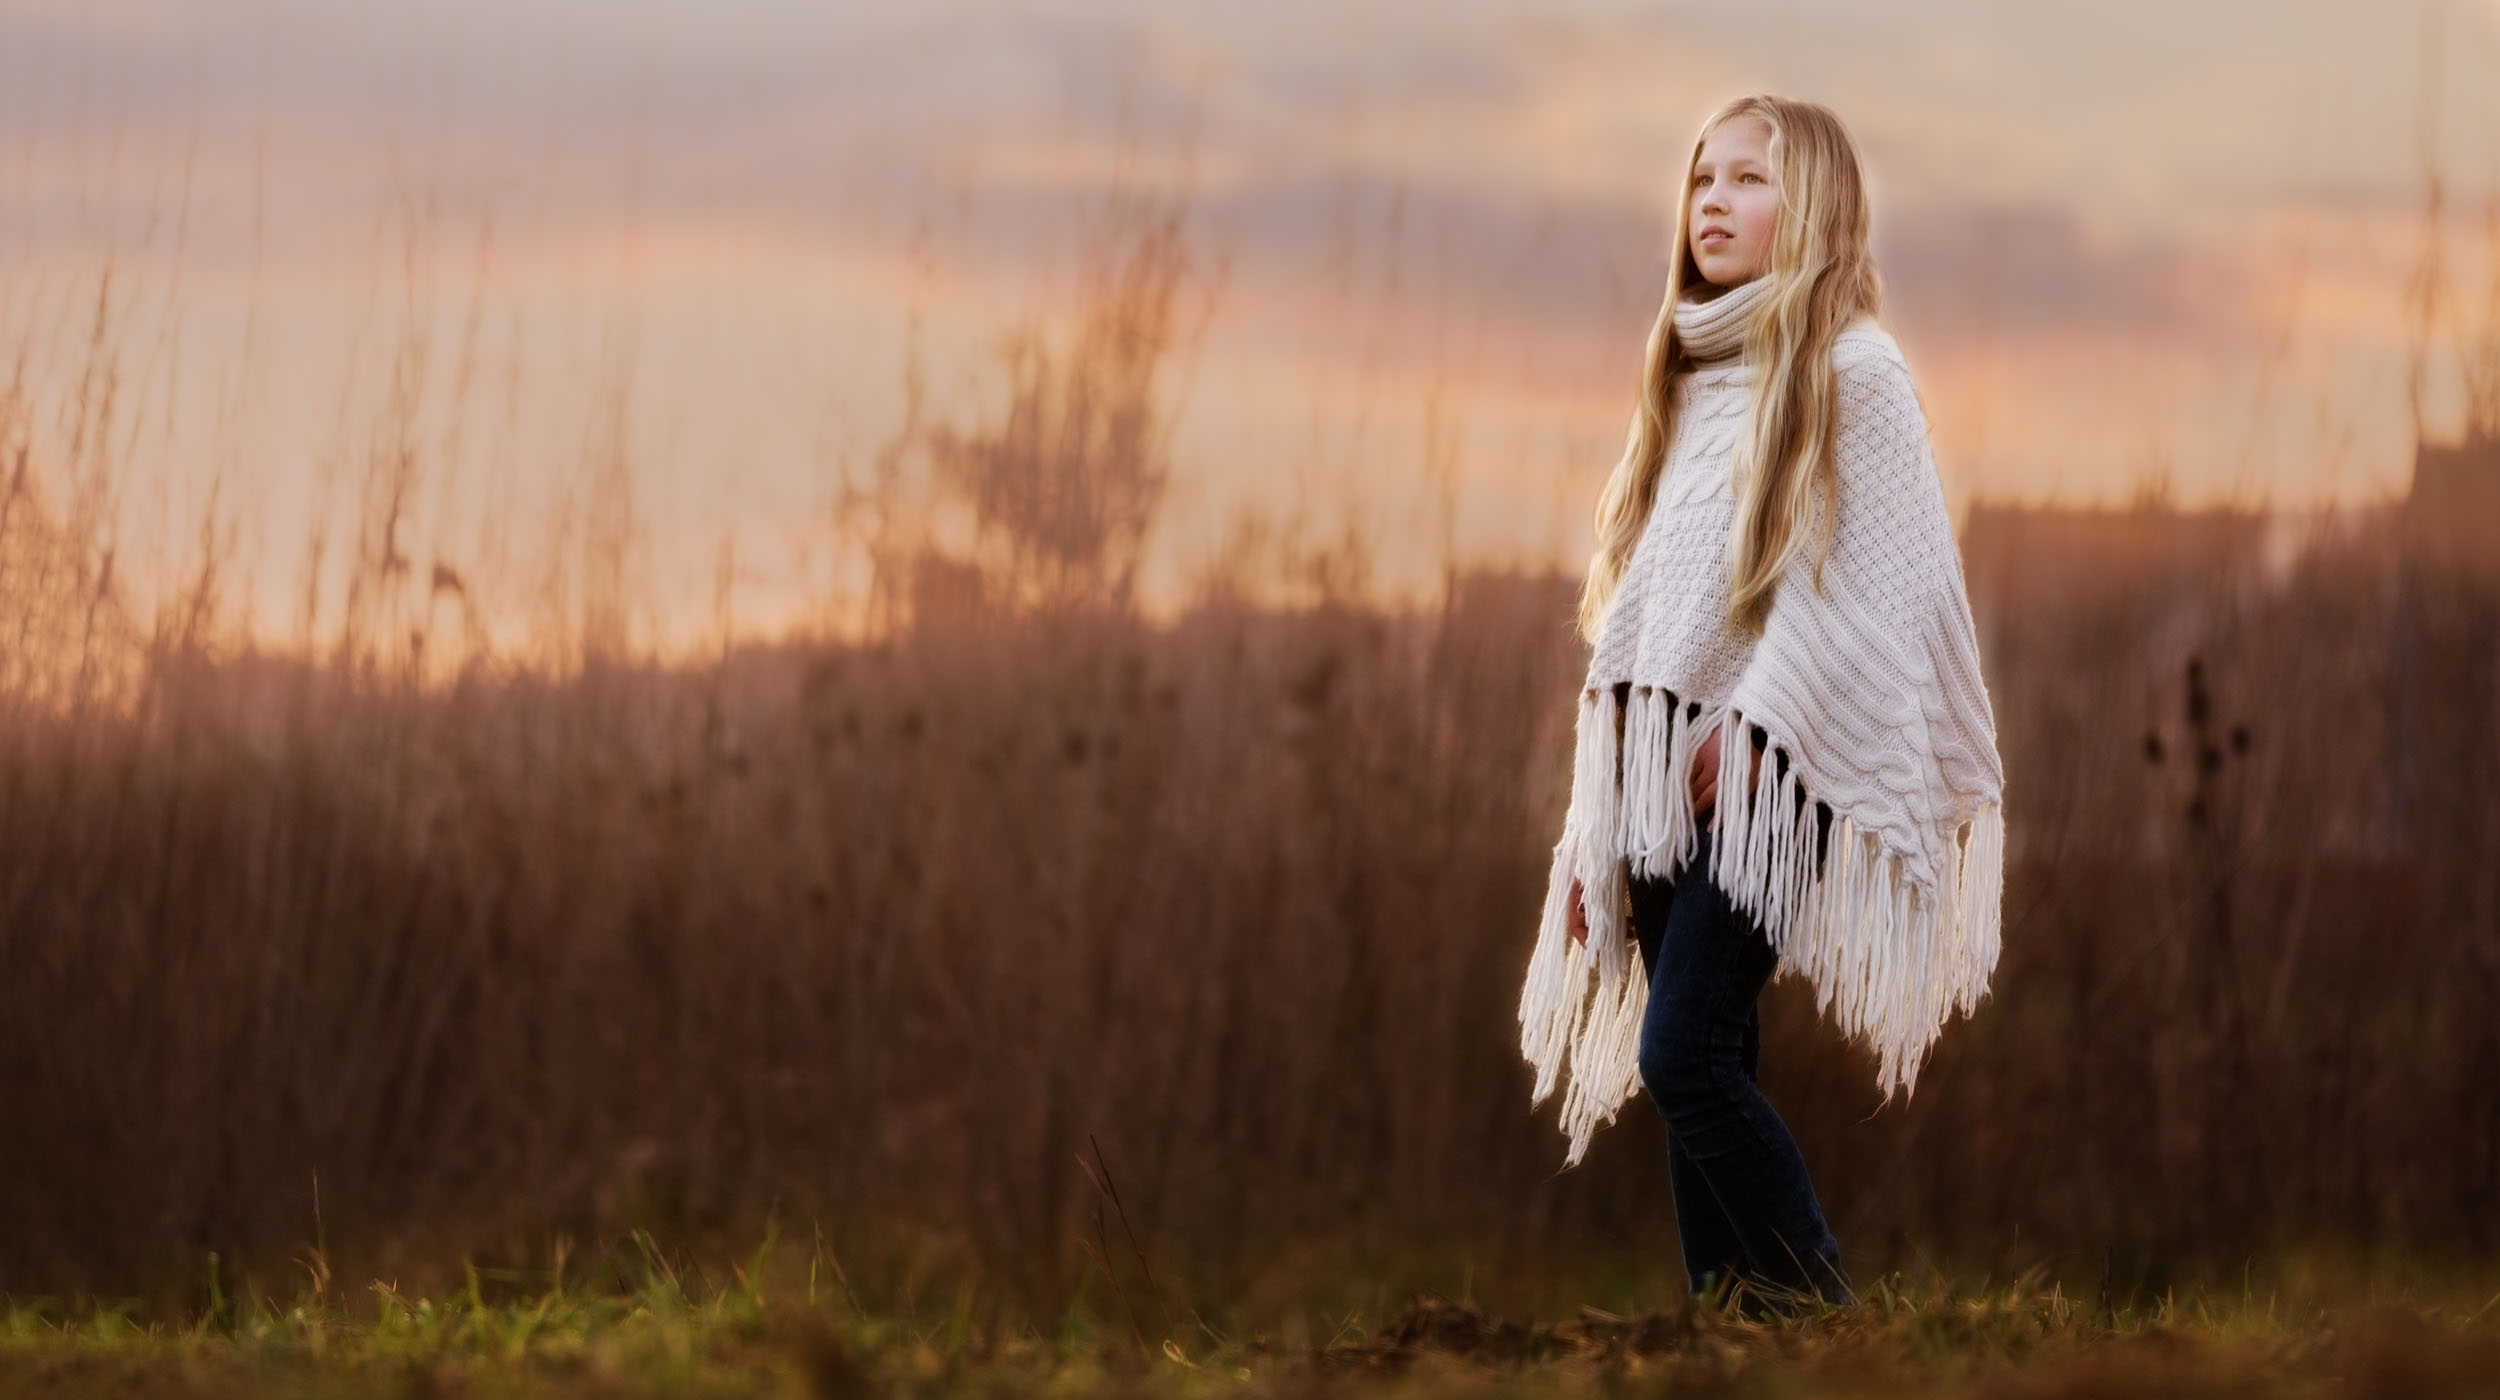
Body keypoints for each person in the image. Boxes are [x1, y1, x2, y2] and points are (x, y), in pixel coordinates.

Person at [1513, 95, 2008, 1316]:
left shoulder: (1855, 368)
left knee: (1679, 1052)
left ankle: (1826, 1320)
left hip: (1777, 776)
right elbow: (1642, 638)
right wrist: (1587, 842)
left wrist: (1756, 726)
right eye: (1701, 181)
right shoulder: (1689, 381)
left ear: (1818, 208)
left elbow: (1869, 587)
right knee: (1713, 1057)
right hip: (1661, 789)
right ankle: (1733, 1329)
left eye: (1748, 179)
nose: (1714, 203)